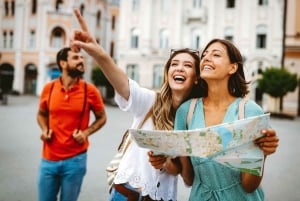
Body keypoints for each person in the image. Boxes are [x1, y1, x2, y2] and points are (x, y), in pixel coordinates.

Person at [70, 8, 203, 201]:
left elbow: (185, 176)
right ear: (167, 73)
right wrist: (99, 53)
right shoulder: (150, 101)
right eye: (174, 64)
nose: (179, 68)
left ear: (197, 78)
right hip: (126, 194)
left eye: (187, 65)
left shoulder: (194, 117)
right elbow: (123, 83)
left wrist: (165, 162)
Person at [174, 38, 279, 201]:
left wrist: (261, 154)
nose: (206, 58)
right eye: (204, 55)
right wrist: (169, 156)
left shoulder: (251, 111)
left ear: (233, 67)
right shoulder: (186, 112)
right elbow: (188, 179)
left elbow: (249, 186)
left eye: (216, 55)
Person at [36, 47, 107, 201]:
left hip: (75, 161)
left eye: (81, 58)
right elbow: (41, 114)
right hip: (48, 159)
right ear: (63, 63)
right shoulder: (49, 88)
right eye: (75, 58)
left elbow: (102, 117)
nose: (81, 60)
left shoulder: (90, 90)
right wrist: (44, 129)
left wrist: (86, 133)